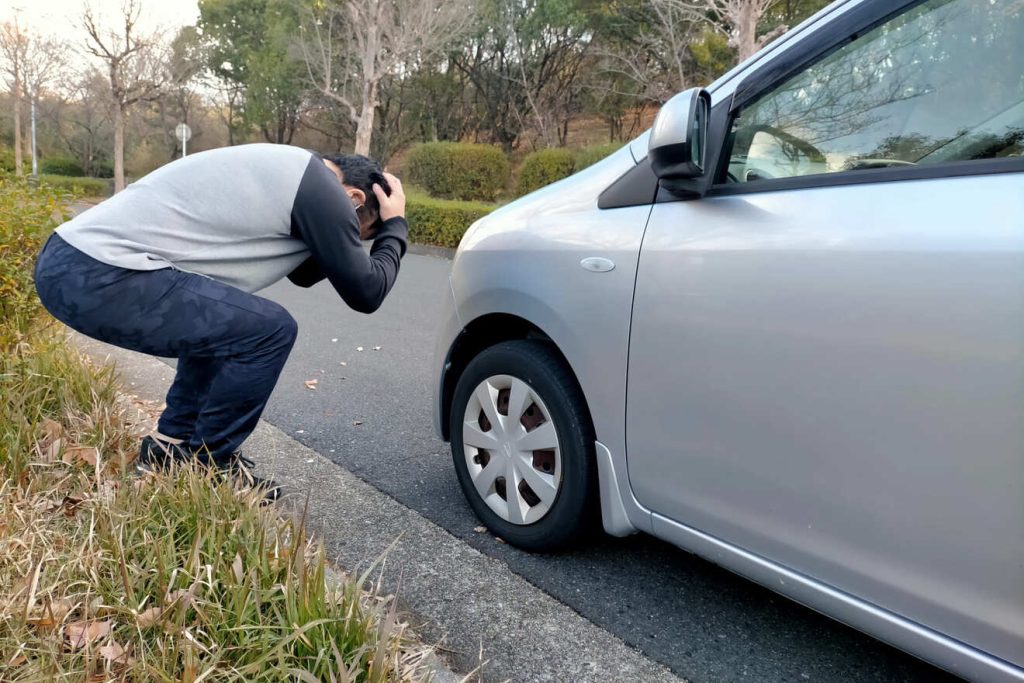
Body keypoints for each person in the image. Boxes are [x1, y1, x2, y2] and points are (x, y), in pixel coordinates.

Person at [33, 144, 408, 497]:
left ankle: (170, 448)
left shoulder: (296, 174)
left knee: (230, 321)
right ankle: (211, 464)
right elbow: (366, 292)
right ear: (355, 199)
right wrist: (395, 227)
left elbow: (306, 273)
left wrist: (359, 236)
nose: (350, 239)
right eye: (358, 233)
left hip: (73, 264)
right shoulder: (324, 190)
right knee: (270, 331)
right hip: (98, 273)